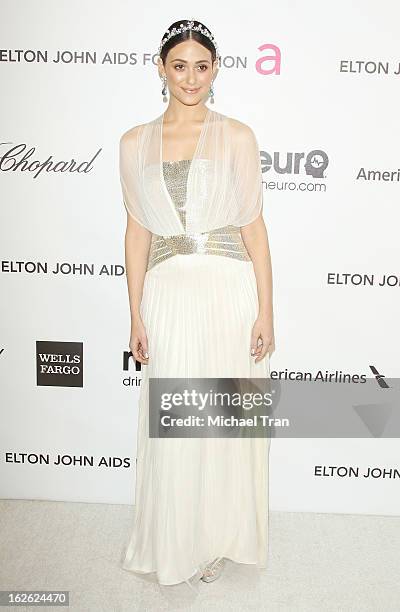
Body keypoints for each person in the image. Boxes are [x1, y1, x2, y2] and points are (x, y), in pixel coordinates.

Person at [119, 19, 275, 592]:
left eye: (202, 66)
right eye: (179, 65)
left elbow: (254, 227)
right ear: (160, 68)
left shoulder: (236, 135)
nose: (191, 77)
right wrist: (135, 312)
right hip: (169, 291)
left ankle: (219, 538)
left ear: (215, 70)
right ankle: (176, 538)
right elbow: (137, 233)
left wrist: (266, 311)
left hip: (229, 288)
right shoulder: (134, 143)